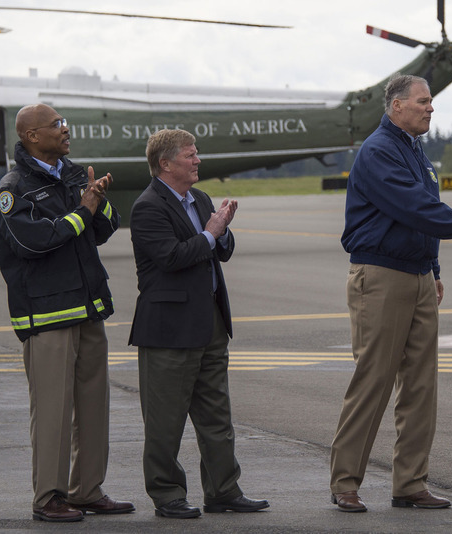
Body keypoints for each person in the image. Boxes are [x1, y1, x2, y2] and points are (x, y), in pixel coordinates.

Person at [329, 74, 452, 513]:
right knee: (373, 382)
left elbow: (422, 212)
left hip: (417, 277)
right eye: (422, 101)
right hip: (381, 277)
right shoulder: (379, 151)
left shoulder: (415, 151)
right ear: (396, 106)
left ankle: (410, 484)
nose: (430, 108)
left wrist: (433, 268)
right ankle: (345, 482)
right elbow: (416, 207)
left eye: (430, 102)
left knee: (420, 386)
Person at [0, 103, 134, 522]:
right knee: (52, 413)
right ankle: (48, 497)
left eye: (64, 122)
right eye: (56, 125)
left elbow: (104, 229)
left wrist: (99, 202)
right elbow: (34, 242)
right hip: (48, 317)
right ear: (32, 136)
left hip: (88, 310)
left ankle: (87, 490)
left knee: (93, 406)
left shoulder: (73, 175)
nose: (65, 129)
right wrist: (83, 210)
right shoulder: (13, 188)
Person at [129, 128, 268, 519]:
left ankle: (224, 490)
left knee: (216, 415)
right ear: (165, 163)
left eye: (196, 153)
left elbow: (219, 249)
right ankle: (167, 494)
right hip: (169, 328)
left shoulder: (200, 198)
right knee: (165, 421)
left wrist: (221, 232)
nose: (198, 160)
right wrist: (211, 233)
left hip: (209, 320)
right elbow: (171, 258)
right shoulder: (148, 206)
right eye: (190, 155)